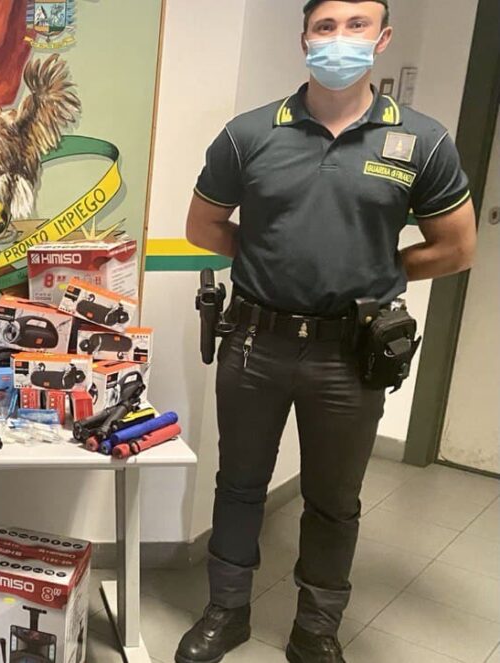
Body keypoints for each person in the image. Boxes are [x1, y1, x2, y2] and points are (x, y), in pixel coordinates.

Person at [178, 1, 477, 662]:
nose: (340, 39)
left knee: (335, 501)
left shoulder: (420, 141)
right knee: (239, 485)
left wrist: (381, 271)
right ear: (306, 39)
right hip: (254, 343)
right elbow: (203, 227)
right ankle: (226, 612)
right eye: (326, 27)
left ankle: (315, 630)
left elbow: (457, 247)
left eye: (356, 25)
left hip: (350, 354)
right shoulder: (249, 134)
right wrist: (265, 257)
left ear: (382, 38)